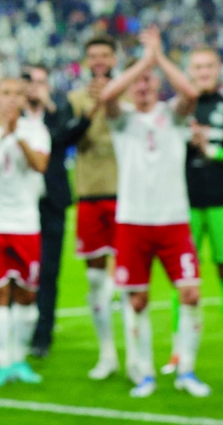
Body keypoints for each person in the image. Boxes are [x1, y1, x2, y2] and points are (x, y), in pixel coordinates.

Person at [100, 27, 209, 398]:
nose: (144, 85)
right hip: (133, 222)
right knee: (137, 300)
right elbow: (109, 95)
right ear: (130, 84)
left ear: (158, 83)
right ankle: (144, 373)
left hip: (174, 221)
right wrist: (142, 63)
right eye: (138, 80)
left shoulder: (173, 115)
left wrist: (157, 58)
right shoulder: (122, 119)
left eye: (149, 80)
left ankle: (187, 371)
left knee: (191, 294)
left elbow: (191, 93)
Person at [0, 78, 50, 388]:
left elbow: (40, 164)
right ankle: (3, 363)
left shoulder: (35, 129)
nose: (11, 99)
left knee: (27, 293)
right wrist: (0, 136)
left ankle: (19, 359)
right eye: (5, 92)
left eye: (17, 93)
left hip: (26, 222)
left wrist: (16, 137)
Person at [23, 65, 93, 357]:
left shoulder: (57, 116)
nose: (36, 87)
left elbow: (67, 135)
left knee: (49, 271)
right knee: (22, 271)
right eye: (31, 82)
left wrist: (49, 106)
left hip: (52, 203)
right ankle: (19, 331)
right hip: (20, 205)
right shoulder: (13, 119)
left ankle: (43, 335)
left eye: (41, 82)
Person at [162, 46, 223, 374]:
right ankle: (177, 349)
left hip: (221, 205)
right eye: (197, 67)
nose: (203, 72)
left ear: (218, 68)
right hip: (184, 205)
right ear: (189, 71)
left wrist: (211, 150)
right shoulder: (178, 109)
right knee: (183, 278)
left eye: (208, 66)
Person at [67, 34, 121, 380]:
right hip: (88, 193)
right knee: (94, 278)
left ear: (114, 59)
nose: (99, 60)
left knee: (131, 280)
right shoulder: (75, 98)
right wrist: (92, 107)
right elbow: (72, 138)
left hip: (124, 192)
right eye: (93, 55)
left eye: (105, 54)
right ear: (87, 62)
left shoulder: (128, 93)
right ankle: (107, 352)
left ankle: (135, 356)